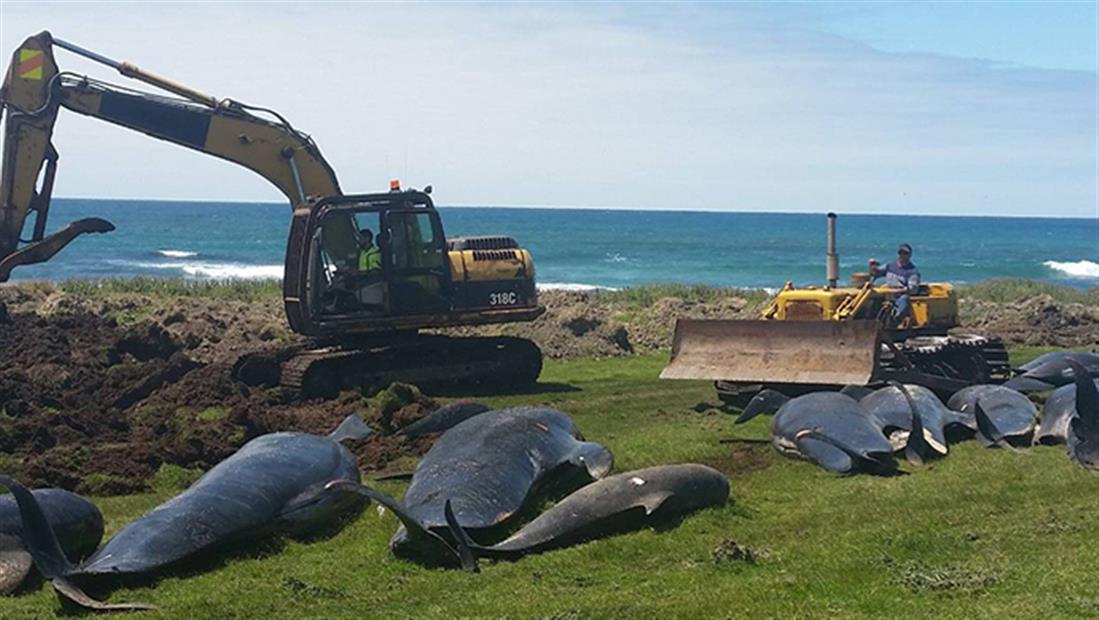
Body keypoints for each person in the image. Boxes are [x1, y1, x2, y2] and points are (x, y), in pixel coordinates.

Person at [868, 243, 921, 324]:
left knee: (904, 300)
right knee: (872, 299)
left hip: (900, 295)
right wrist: (872, 267)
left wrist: (899, 290)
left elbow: (913, 289)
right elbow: (876, 274)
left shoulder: (912, 271)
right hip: (887, 293)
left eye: (905, 253)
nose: (902, 255)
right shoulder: (890, 266)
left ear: (910, 255)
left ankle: (894, 322)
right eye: (901, 253)